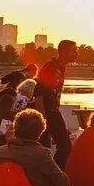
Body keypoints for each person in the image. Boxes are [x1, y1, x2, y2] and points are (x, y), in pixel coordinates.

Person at [32, 39, 77, 168]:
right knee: (59, 146)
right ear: (63, 52)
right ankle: (52, 177)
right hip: (47, 113)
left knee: (62, 146)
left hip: (53, 111)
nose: (76, 54)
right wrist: (43, 118)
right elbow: (38, 94)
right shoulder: (50, 68)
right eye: (74, 51)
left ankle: (52, 175)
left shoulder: (61, 68)